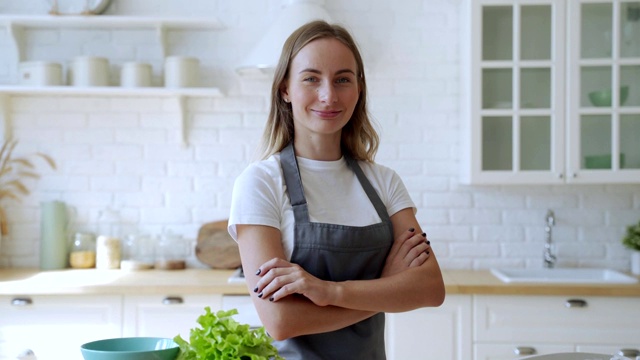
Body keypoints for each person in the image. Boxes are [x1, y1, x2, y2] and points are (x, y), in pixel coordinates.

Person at [228, 20, 445, 359]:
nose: (328, 95)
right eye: (311, 78)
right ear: (285, 88)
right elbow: (281, 320)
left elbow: (430, 289)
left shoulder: (384, 182)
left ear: (359, 89)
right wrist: (385, 289)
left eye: (343, 79)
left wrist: (327, 291)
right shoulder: (261, 184)